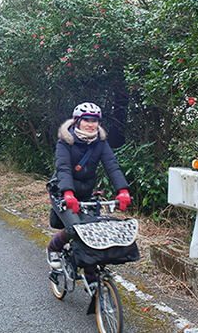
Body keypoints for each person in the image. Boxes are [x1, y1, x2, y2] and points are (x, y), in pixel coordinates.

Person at [46, 102, 131, 280]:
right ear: (77, 121)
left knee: (94, 231)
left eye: (95, 121)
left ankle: (92, 277)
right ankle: (53, 247)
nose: (91, 124)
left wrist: (122, 190)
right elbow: (63, 168)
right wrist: (68, 192)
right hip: (62, 191)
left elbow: (112, 166)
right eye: (87, 120)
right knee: (75, 229)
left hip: (85, 194)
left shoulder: (100, 143)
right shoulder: (65, 141)